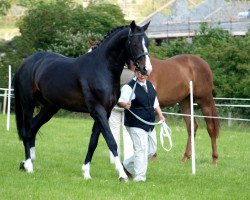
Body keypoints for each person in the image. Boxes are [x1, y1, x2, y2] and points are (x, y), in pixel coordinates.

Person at [118, 69, 165, 182]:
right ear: (136, 73)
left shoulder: (150, 85)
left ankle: (126, 166)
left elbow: (155, 102)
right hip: (135, 123)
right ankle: (140, 178)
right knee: (141, 149)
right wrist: (125, 105)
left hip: (149, 123)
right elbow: (120, 101)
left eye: (144, 74)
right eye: (139, 73)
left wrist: (161, 115)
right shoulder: (129, 87)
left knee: (151, 150)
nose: (142, 76)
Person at [109, 67, 134, 163]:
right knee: (127, 132)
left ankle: (114, 158)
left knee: (114, 131)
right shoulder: (132, 75)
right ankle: (128, 157)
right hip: (128, 106)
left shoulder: (113, 72)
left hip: (114, 106)